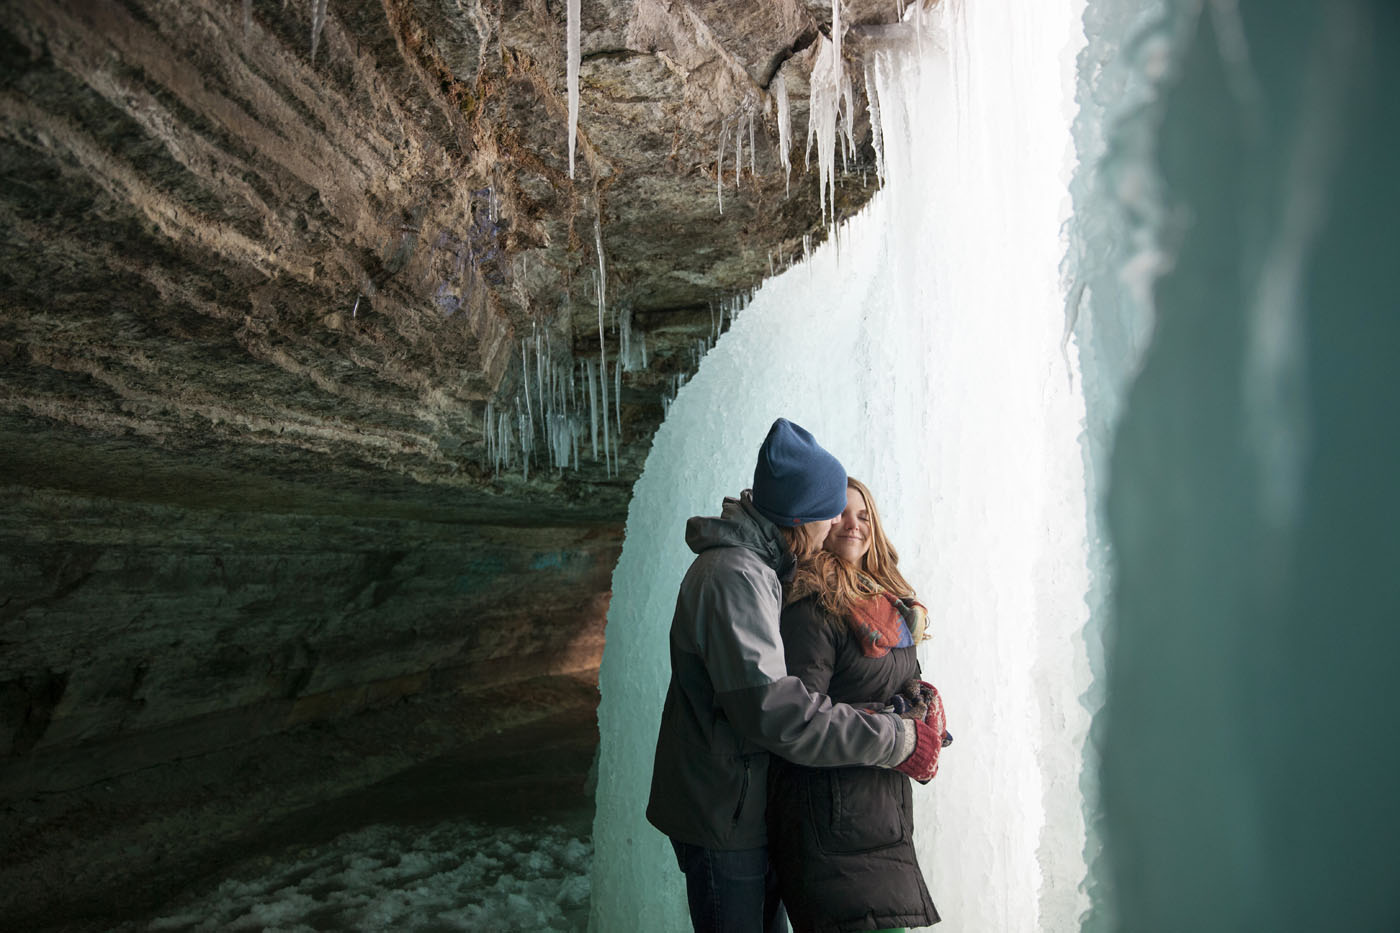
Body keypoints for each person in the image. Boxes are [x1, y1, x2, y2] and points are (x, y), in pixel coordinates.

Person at [647, 420, 945, 933]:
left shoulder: (760, 571)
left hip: (744, 807)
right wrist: (896, 739)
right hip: (723, 816)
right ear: (799, 516)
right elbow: (776, 711)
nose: (836, 528)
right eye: (829, 515)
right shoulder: (734, 579)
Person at [766, 477, 951, 933]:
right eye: (841, 514)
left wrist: (919, 699)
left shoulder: (887, 603)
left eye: (864, 515)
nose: (854, 524)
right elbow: (801, 719)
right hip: (832, 819)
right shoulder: (812, 606)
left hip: (876, 814)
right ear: (821, 524)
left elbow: (891, 682)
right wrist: (899, 730)